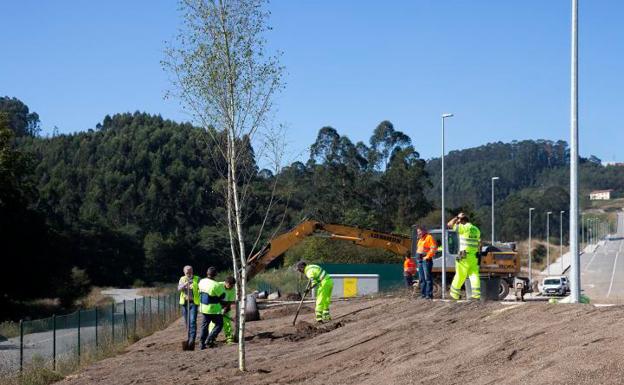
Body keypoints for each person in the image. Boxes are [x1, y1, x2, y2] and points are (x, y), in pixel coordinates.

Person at [447, 212, 482, 300]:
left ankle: (454, 294)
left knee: (460, 274)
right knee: (474, 274)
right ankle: (476, 295)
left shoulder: (464, 227)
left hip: (463, 253)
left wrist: (456, 217)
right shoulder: (476, 229)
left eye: (459, 221)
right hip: (474, 255)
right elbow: (479, 243)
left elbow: (449, 224)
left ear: (462, 221)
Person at [198, 267, 225, 349]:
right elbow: (222, 296)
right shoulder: (216, 285)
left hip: (203, 307)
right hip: (213, 309)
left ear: (207, 273)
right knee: (219, 324)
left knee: (204, 326)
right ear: (215, 275)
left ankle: (201, 343)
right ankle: (210, 339)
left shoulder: (201, 281)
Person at [209, 276, 236, 344]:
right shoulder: (218, 285)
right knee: (213, 323)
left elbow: (229, 301)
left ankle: (229, 338)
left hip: (226, 306)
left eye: (232, 286)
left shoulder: (233, 289)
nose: (231, 287)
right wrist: (218, 308)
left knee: (227, 323)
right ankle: (211, 338)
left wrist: (224, 309)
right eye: (230, 285)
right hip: (216, 306)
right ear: (226, 283)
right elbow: (212, 296)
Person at [177, 265, 200, 347]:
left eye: (190, 272)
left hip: (193, 303)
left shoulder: (197, 279)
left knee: (192, 321)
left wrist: (194, 286)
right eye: (187, 273)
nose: (189, 274)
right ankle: (189, 338)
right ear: (184, 272)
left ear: (192, 271)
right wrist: (185, 284)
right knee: (187, 322)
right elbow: (179, 289)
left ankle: (192, 340)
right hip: (185, 303)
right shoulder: (182, 279)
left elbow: (201, 289)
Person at [416, 226, 438, 299]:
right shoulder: (420, 239)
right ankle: (423, 295)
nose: (418, 233)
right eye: (418, 231)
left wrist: (427, 257)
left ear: (424, 231)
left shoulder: (429, 237)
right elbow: (419, 250)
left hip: (426, 260)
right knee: (422, 279)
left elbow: (433, 248)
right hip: (420, 261)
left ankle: (429, 295)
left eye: (419, 231)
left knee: (427, 278)